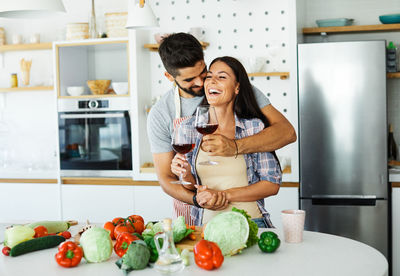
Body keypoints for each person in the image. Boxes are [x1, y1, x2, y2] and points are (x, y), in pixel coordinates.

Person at [147, 32, 295, 225]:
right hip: (195, 215)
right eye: (190, 79)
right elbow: (167, 179)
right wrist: (200, 199)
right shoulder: (163, 115)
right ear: (169, 76)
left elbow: (287, 132)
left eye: (203, 73)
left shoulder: (239, 97)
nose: (201, 83)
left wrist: (234, 147)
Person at [171, 56, 281, 227]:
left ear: (237, 87)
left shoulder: (253, 127)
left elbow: (271, 184)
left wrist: (224, 195)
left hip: (251, 223)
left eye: (222, 77)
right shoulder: (188, 128)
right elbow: (192, 187)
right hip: (207, 226)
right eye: (209, 77)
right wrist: (185, 173)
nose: (212, 81)